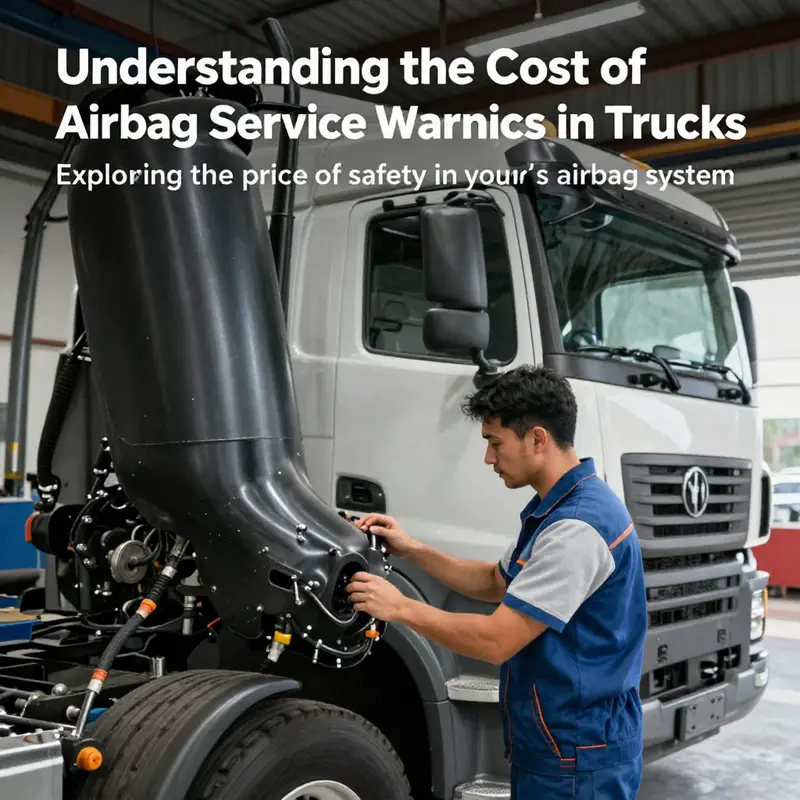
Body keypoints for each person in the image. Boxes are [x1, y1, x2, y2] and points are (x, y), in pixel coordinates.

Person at [346, 364, 648, 799]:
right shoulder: (560, 508)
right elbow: (495, 580)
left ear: (537, 439)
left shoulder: (577, 528)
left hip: (578, 756)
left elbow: (496, 641)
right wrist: (412, 549)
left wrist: (399, 608)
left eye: (495, 442)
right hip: (562, 742)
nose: (489, 458)